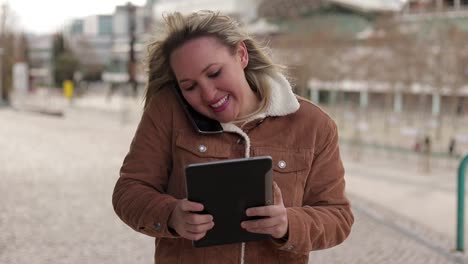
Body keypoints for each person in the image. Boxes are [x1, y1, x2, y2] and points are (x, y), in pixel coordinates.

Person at [112, 10, 353, 264]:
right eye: (189, 86)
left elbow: (338, 217)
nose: (208, 94)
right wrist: (171, 215)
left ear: (241, 55)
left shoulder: (313, 125)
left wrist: (288, 223)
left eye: (214, 73)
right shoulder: (167, 111)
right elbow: (128, 191)